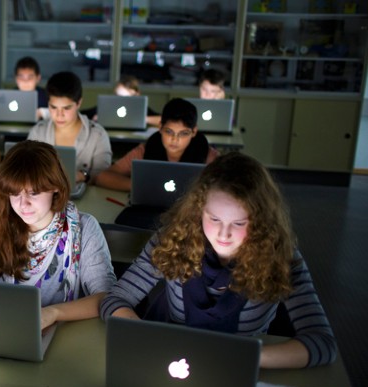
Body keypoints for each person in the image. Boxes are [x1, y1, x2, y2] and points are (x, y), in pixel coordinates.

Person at [99, 152, 337, 369]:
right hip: (170, 361)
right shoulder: (172, 240)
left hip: (236, 369)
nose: (223, 235)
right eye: (214, 219)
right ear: (198, 211)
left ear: (261, 221)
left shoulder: (281, 256)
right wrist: (146, 336)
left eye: (239, 223)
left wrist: (245, 357)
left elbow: (323, 343)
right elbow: (115, 300)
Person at [0, 140, 117, 330]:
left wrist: (52, 313)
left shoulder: (85, 227)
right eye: (15, 193)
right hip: (1, 326)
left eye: (33, 193)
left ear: (55, 187)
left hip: (59, 332)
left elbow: (106, 296)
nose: (23, 204)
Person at [95, 98, 219, 191]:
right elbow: (103, 177)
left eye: (183, 134)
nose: (174, 139)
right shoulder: (146, 149)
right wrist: (140, 186)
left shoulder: (208, 155)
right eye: (169, 132)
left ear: (194, 132)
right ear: (160, 127)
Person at [26, 71, 112, 185]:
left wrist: (83, 176)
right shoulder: (38, 132)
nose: (59, 114)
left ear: (79, 103)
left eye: (66, 108)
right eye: (53, 107)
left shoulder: (97, 135)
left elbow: (103, 178)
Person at [0, 56, 50, 120]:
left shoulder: (46, 95)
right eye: (21, 77)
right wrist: (1, 112)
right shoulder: (9, 95)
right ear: (16, 79)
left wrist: (41, 112)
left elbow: (58, 111)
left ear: (38, 78)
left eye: (30, 77)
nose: (25, 81)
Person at [82, 75, 160, 126]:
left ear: (137, 94)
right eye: (118, 97)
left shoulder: (141, 109)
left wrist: (142, 119)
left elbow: (163, 119)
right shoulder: (107, 106)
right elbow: (82, 115)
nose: (123, 102)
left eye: (127, 98)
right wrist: (95, 119)